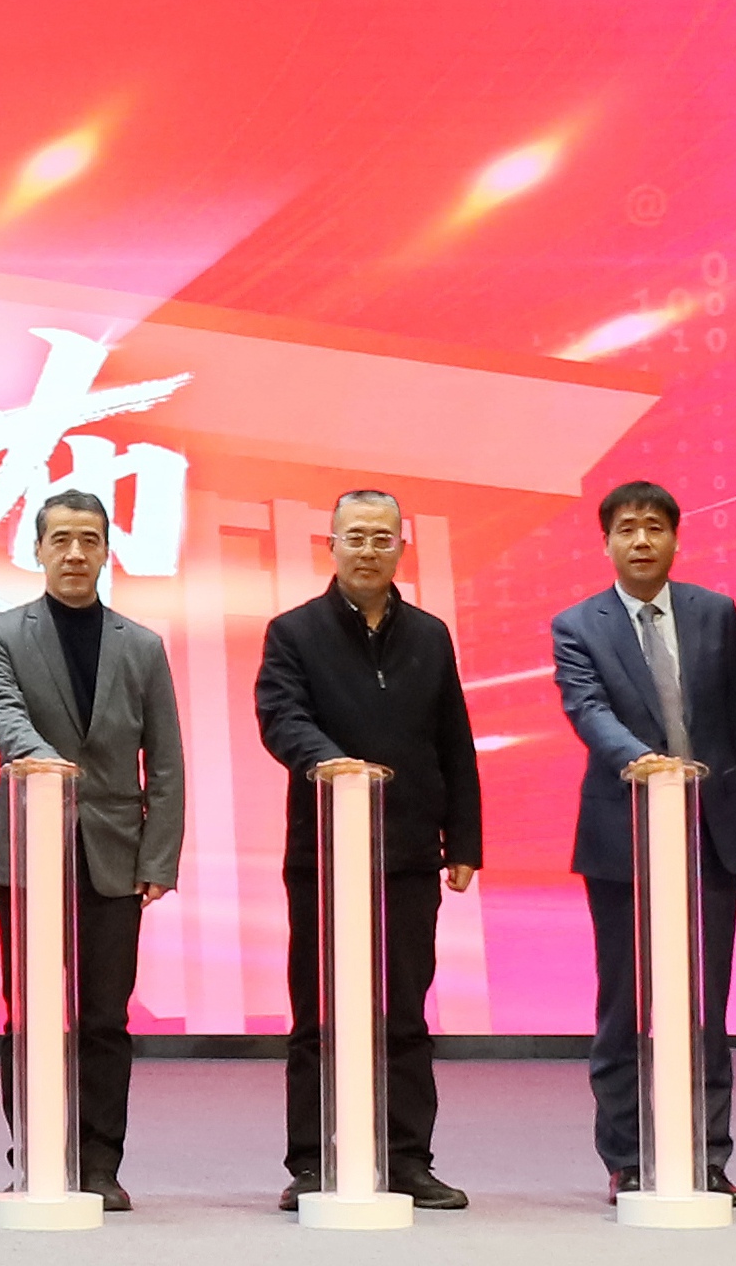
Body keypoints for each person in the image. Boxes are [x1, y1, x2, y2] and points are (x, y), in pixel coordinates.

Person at [254, 489, 482, 1212]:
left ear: (400, 548)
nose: (367, 549)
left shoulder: (430, 635)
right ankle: (312, 1160)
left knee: (404, 1013)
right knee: (319, 1011)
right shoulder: (293, 631)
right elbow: (279, 716)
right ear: (331, 545)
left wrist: (464, 838)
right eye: (354, 536)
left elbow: (453, 739)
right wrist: (334, 764)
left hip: (409, 852)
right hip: (323, 855)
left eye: (382, 537)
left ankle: (406, 1158)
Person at [0, 489, 185, 1213]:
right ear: (37, 549)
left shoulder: (141, 645)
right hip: (29, 852)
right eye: (59, 539)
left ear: (105, 551)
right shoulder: (1, 633)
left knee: (103, 1019)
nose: (73, 553)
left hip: (114, 858)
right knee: (30, 1015)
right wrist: (41, 762)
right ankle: (35, 1155)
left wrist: (158, 859)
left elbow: (166, 761)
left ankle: (99, 1162)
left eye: (88, 539)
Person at [551, 479, 736, 1206]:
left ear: (675, 537)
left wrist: (729, 815)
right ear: (606, 542)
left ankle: (706, 1155)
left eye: (654, 527)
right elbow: (587, 708)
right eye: (627, 529)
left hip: (707, 834)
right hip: (621, 833)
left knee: (705, 1003)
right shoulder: (578, 623)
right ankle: (628, 1156)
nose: (641, 540)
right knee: (625, 1002)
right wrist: (641, 760)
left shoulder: (715, 612)